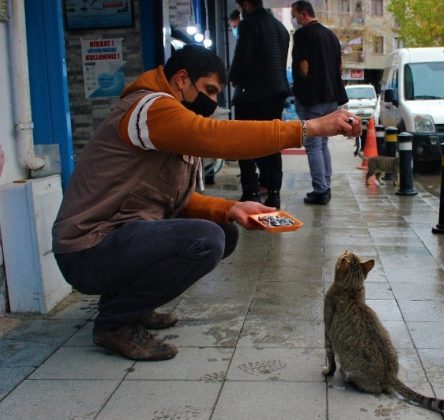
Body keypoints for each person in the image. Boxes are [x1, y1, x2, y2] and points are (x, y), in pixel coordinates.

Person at [52, 45, 360, 361]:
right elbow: (214, 136)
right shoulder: (149, 108)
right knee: (206, 240)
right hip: (87, 250)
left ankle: (129, 304)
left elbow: (178, 201)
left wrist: (230, 209)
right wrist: (310, 128)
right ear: (182, 79)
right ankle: (114, 324)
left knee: (223, 231)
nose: (213, 103)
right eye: (209, 91)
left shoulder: (169, 119)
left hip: (119, 239)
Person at [229, 0, 290, 208]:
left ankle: (251, 191)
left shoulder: (249, 24)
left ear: (246, 4)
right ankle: (273, 192)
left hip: (251, 94)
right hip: (276, 93)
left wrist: (233, 75)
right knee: (272, 142)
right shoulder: (280, 28)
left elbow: (242, 58)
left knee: (244, 141)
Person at [291, 0, 348, 205]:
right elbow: (339, 68)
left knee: (313, 144)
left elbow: (302, 69)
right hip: (331, 98)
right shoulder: (331, 35)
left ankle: (320, 190)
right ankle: (326, 184)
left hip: (312, 99)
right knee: (323, 143)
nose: (294, 20)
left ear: (304, 14)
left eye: (295, 15)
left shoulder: (303, 35)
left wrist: (299, 93)